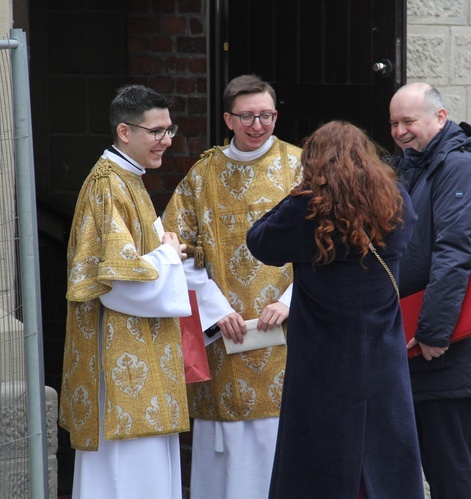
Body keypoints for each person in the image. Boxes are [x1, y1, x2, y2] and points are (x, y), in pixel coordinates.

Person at [247, 121, 425, 499]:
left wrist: (299, 194)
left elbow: (259, 239)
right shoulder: (396, 200)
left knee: (318, 467)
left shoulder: (306, 211)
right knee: (382, 460)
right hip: (382, 357)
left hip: (322, 363)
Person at [162, 74, 302, 499]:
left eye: (266, 115)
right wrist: (215, 308)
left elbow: (327, 244)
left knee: (282, 440)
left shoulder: (300, 166)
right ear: (228, 118)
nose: (257, 125)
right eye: (247, 116)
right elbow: (176, 248)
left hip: (287, 334)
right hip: (226, 335)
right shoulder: (204, 175)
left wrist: (289, 300)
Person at [59, 84, 192, 499]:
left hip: (139, 346)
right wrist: (168, 255)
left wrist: (165, 251)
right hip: (121, 359)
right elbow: (117, 282)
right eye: (156, 131)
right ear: (124, 131)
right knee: (125, 476)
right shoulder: (107, 186)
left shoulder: (129, 180)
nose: (166, 141)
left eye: (169, 130)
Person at [389, 82, 471, 498]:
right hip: (425, 349)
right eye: (393, 123)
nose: (400, 131)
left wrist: (433, 333)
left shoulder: (460, 168)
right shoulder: (414, 165)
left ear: (440, 118)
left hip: (448, 349)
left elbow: (454, 256)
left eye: (409, 121)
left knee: (450, 471)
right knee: (436, 466)